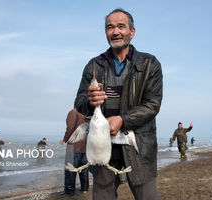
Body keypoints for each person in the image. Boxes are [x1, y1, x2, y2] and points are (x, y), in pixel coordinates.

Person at [74, 8, 162, 200]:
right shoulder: (93, 65)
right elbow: (79, 103)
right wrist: (89, 103)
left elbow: (153, 105)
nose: (115, 32)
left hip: (139, 147)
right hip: (101, 150)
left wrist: (122, 120)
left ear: (132, 31)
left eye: (121, 26)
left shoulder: (150, 64)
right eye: (110, 27)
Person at [60, 109, 89, 196]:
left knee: (70, 170)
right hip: (85, 147)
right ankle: (85, 188)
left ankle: (69, 191)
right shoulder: (88, 114)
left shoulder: (73, 112)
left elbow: (70, 127)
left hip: (73, 146)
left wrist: (65, 139)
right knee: (84, 169)